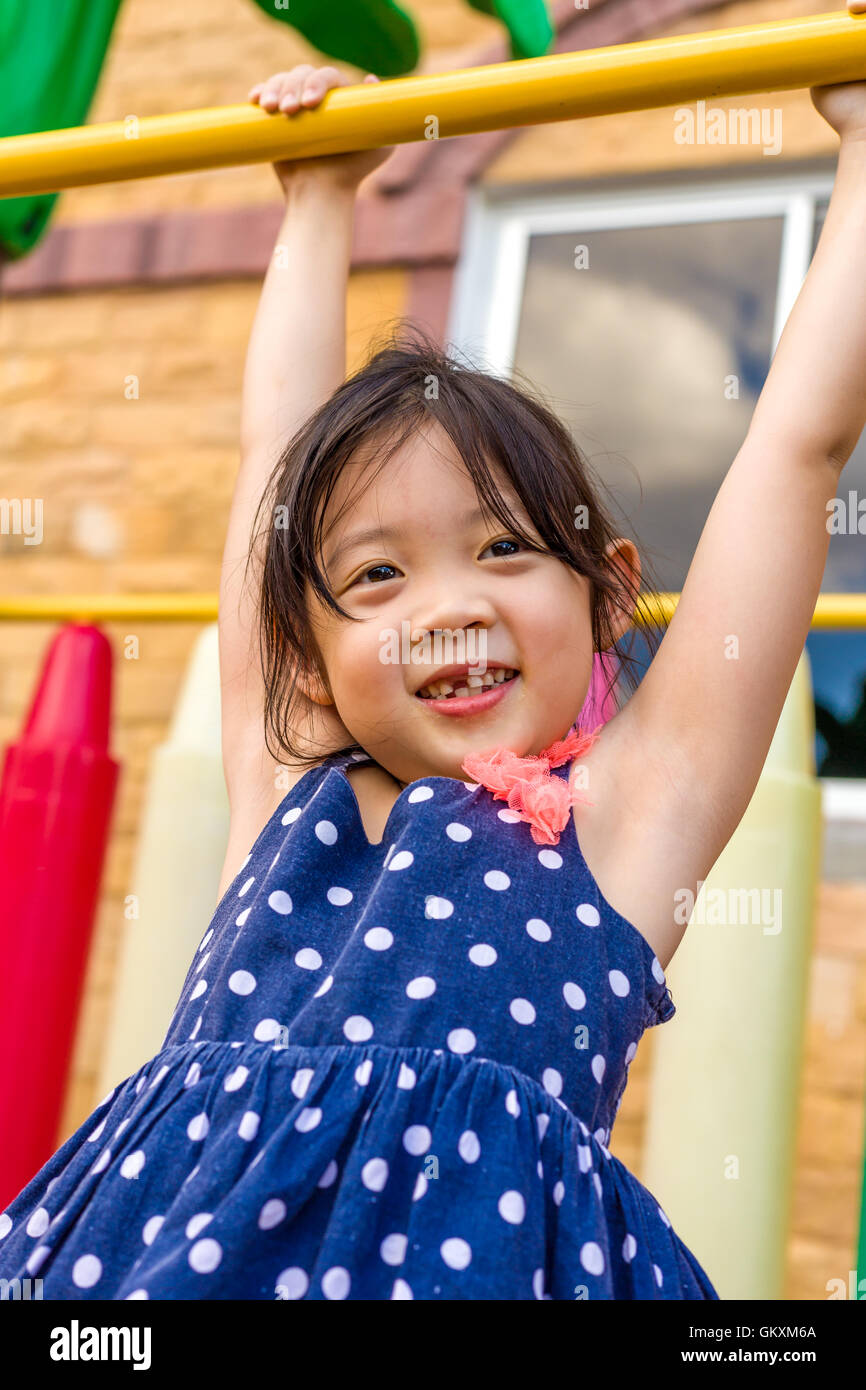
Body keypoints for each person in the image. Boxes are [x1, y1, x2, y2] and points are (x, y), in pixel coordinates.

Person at [2, 48, 866, 1301]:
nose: (447, 607)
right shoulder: (278, 785)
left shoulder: (627, 821)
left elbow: (795, 445)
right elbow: (272, 462)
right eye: (375, 577)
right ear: (306, 642)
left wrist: (857, 145)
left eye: (504, 547)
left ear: (608, 591)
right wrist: (316, 198)